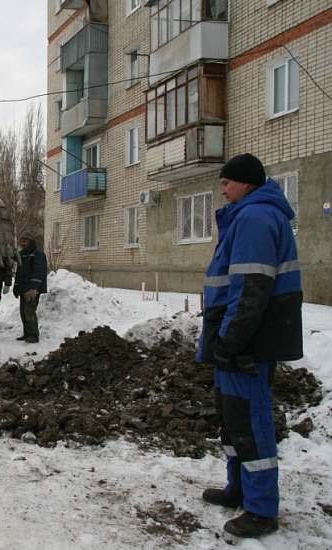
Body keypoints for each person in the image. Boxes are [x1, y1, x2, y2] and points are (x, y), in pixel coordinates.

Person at [196, 153, 303, 538]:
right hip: (236, 339)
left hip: (249, 343)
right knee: (233, 418)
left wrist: (232, 340)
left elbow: (252, 288)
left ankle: (261, 510)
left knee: (251, 420)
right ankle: (239, 487)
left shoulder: (256, 217)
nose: (222, 190)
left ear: (247, 183)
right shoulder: (245, 215)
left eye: (226, 183)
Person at [12, 234, 47, 344]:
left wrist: (34, 288)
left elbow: (39, 272)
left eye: (25, 241)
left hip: (32, 289)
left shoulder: (38, 254)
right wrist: (16, 288)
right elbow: (19, 272)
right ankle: (27, 332)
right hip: (23, 288)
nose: (22, 243)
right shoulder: (22, 254)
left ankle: (33, 334)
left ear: (30, 241)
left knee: (29, 311)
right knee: (23, 311)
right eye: (21, 241)